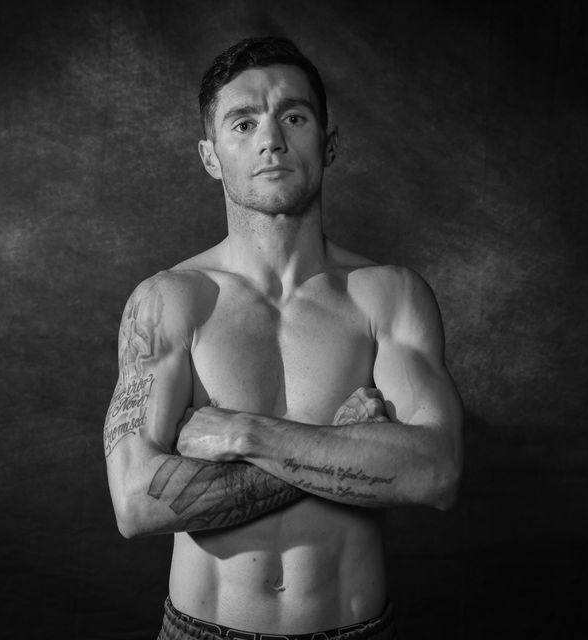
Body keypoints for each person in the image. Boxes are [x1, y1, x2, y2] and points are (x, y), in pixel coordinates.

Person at [103, 36, 463, 640]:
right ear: (210, 155)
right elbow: (138, 504)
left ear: (329, 143)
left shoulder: (387, 294)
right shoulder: (171, 300)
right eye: (242, 123)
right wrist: (342, 445)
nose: (271, 138)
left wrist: (244, 434)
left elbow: (437, 473)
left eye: (293, 116)